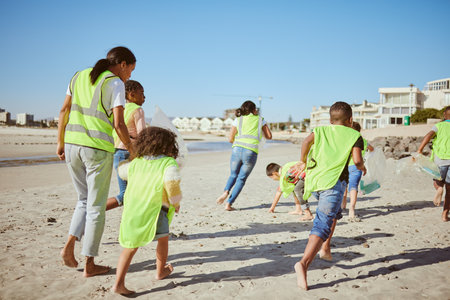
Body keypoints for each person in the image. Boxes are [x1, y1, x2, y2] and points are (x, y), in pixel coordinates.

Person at [57, 46, 136, 277]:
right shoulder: (115, 83)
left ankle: (69, 246)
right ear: (122, 64)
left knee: (83, 200)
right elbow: (119, 124)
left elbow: (64, 110)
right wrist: (132, 148)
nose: (130, 75)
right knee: (96, 208)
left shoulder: (78, 75)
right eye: (130, 69)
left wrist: (60, 142)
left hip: (72, 145)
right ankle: (89, 264)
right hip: (97, 150)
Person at [291, 101, 366, 290]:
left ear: (331, 120)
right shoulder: (355, 134)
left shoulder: (321, 130)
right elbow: (356, 160)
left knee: (333, 215)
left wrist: (302, 160)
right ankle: (303, 264)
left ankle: (325, 247)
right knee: (323, 223)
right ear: (350, 120)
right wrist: (362, 166)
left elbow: (306, 141)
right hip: (333, 184)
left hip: (314, 181)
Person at [112, 126, 182, 295]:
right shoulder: (168, 163)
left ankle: (118, 283)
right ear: (167, 146)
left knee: (130, 246)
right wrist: (176, 203)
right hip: (157, 209)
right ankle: (160, 271)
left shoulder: (136, 163)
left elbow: (122, 172)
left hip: (134, 208)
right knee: (163, 240)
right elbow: (171, 184)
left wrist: (130, 158)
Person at [216, 100, 272, 211]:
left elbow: (230, 138)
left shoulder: (238, 120)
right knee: (241, 179)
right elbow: (269, 136)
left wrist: (239, 144)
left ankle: (226, 191)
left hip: (237, 149)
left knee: (233, 175)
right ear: (254, 110)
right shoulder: (261, 120)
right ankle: (229, 204)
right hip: (251, 151)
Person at [106, 80, 146, 210]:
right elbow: (142, 135)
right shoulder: (138, 110)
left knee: (128, 193)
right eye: (142, 93)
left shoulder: (118, 109)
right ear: (131, 94)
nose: (144, 97)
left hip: (116, 153)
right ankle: (94, 209)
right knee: (127, 194)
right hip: (131, 153)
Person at [417, 106, 450, 222]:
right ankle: (445, 215)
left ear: (444, 115)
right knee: (449, 190)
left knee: (437, 182)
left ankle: (439, 188)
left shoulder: (439, 126)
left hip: (440, 160)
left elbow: (429, 135)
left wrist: (420, 149)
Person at [341, 121, 374, 220]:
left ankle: (343, 206)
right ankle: (352, 210)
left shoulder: (347, 140)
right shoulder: (363, 141)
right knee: (353, 187)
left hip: (346, 166)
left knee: (344, 186)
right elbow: (372, 149)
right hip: (358, 166)